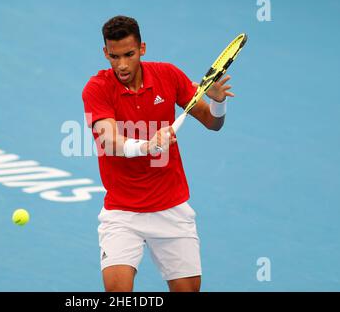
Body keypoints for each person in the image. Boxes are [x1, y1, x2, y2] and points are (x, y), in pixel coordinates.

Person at [81, 15, 235, 292]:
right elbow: (109, 141)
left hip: (171, 207)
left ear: (142, 48)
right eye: (114, 57)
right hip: (122, 212)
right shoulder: (97, 88)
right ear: (105, 53)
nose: (122, 64)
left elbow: (213, 123)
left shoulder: (168, 75)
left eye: (129, 54)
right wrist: (147, 146)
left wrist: (218, 103)